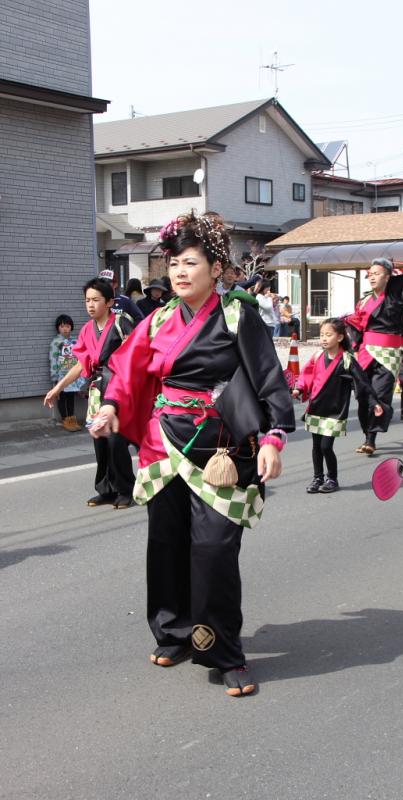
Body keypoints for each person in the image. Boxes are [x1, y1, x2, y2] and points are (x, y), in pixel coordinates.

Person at [88, 211, 295, 697]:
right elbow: (126, 368)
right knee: (166, 544)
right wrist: (112, 406)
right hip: (163, 444)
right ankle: (174, 632)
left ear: (216, 268)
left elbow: (269, 379)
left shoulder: (238, 316)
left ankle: (223, 651)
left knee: (214, 550)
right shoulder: (159, 317)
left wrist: (273, 436)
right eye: (174, 263)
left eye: (191, 263)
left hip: (220, 447)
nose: (180, 272)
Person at [44, 278, 135, 509]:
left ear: (110, 302)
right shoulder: (87, 329)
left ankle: (126, 490)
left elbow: (133, 358)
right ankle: (106, 490)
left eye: (96, 300)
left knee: (115, 441)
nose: (90, 305)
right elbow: (79, 365)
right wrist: (57, 388)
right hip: (96, 390)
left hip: (119, 388)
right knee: (100, 443)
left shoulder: (122, 323)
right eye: (87, 300)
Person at [344, 258, 403, 455]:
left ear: (387, 277)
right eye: (370, 274)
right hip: (366, 352)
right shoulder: (365, 301)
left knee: (380, 394)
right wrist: (354, 347)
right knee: (363, 396)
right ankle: (367, 433)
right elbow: (356, 326)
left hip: (389, 353)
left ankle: (371, 439)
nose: (372, 277)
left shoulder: (396, 297)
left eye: (377, 274)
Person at [293, 318, 383, 493]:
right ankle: (317, 478)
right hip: (316, 408)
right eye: (322, 335)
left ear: (340, 337)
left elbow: (362, 382)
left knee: (326, 446)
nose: (324, 338)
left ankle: (332, 479)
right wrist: (299, 388)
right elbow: (306, 375)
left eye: (328, 335)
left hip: (335, 411)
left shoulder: (347, 360)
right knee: (316, 447)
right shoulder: (318, 356)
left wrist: (374, 402)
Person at [48, 314, 85, 431]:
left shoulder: (75, 341)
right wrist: (54, 378)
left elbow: (80, 358)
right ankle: (65, 420)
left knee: (70, 398)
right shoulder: (56, 342)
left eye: (67, 326)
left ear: (71, 327)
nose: (65, 329)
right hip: (61, 376)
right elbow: (53, 360)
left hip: (72, 376)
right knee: (62, 398)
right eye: (62, 326)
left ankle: (72, 420)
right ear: (58, 328)